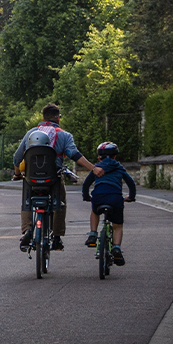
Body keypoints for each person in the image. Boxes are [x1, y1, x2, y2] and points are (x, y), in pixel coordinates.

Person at [12, 104, 98, 251]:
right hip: (53, 179)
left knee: (26, 202)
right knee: (60, 203)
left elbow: (17, 157)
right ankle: (57, 237)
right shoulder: (64, 135)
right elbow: (74, 154)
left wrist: (18, 174)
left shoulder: (31, 133)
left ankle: (27, 230)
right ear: (58, 118)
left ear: (42, 117)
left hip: (31, 179)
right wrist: (93, 168)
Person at [81, 141, 138, 267]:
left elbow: (86, 184)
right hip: (115, 198)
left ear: (98, 158)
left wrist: (87, 197)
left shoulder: (96, 168)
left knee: (95, 211)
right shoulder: (119, 168)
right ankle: (116, 247)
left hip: (98, 197)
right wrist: (131, 197)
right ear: (115, 156)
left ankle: (93, 234)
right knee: (117, 225)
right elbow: (131, 184)